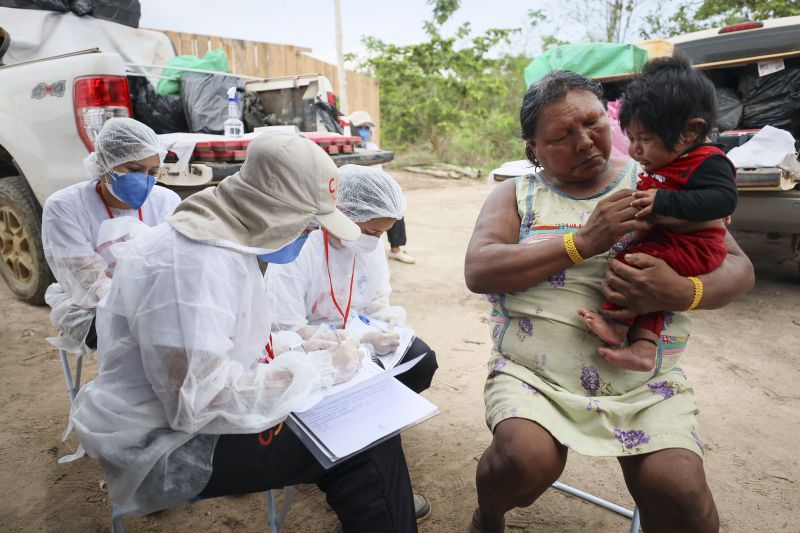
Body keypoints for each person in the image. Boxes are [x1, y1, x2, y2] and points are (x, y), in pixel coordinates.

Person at [65, 132, 419, 532]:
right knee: (365, 444)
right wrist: (318, 369)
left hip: (184, 415)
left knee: (363, 430)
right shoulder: (197, 264)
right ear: (275, 210)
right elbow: (198, 401)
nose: (309, 235)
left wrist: (297, 347)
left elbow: (223, 346)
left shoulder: (222, 233)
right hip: (166, 443)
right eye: (308, 225)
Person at [464, 70, 754, 533]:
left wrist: (685, 291)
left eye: (594, 122)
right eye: (560, 136)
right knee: (522, 460)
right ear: (533, 148)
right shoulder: (516, 193)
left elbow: (739, 268)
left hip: (642, 382)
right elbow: (479, 269)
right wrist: (581, 242)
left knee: (680, 492)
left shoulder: (664, 176)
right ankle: (489, 517)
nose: (585, 142)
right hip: (535, 376)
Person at [578, 56, 738, 372]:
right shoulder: (666, 162)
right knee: (651, 288)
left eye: (645, 140)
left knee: (633, 268)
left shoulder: (708, 162)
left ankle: (618, 326)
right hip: (675, 242)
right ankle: (643, 348)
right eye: (632, 139)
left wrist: (661, 204)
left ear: (691, 131)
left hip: (696, 246)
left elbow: (723, 200)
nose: (635, 150)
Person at [266, 164, 438, 394]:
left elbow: (376, 301)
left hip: (359, 337)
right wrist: (359, 337)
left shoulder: (367, 246)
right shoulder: (301, 247)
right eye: (370, 232)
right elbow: (288, 328)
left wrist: (386, 327)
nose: (375, 241)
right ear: (343, 213)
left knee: (421, 359)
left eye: (381, 233)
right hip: (312, 345)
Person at [42, 118, 180, 354]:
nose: (145, 179)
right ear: (105, 163)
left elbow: (177, 260)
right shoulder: (65, 206)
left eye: (153, 172)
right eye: (135, 170)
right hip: (92, 306)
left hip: (156, 298)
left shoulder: (166, 200)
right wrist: (153, 304)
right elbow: (88, 283)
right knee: (150, 335)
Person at [349, 110, 416, 265]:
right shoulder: (345, 148)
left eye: (367, 127)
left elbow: (379, 173)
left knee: (394, 207)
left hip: (373, 190)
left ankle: (396, 249)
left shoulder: (373, 147)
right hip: (356, 193)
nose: (364, 131)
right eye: (361, 127)